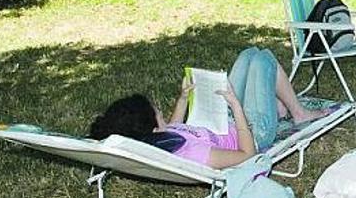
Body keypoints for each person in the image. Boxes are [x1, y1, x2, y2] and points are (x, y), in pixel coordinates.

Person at [89, 47, 327, 169]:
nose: (161, 111)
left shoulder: (161, 140)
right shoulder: (192, 153)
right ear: (152, 130)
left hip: (226, 121)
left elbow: (173, 126)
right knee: (264, 60)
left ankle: (277, 106)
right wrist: (236, 105)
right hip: (254, 133)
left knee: (250, 54)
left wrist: (183, 99)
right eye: (157, 112)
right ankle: (298, 113)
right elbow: (247, 155)